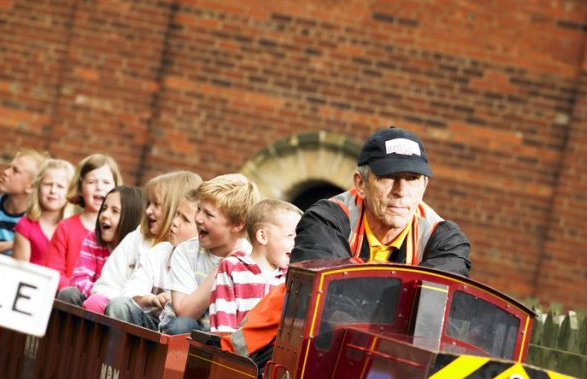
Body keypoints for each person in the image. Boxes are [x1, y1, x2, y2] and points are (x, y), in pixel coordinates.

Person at [221, 126, 471, 358]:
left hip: (375, 355)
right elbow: (330, 301)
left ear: (424, 185)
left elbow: (436, 312)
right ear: (360, 184)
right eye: (389, 177)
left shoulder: (446, 239)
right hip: (265, 348)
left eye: (413, 178)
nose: (401, 190)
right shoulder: (324, 219)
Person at [86, 170, 201, 315]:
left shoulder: (190, 255)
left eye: (156, 204)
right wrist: (124, 305)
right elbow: (108, 284)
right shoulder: (137, 238)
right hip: (123, 310)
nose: (147, 210)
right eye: (148, 203)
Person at [160, 173, 259, 335]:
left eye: (209, 214)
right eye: (199, 209)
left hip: (222, 340)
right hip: (181, 337)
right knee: (183, 325)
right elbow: (185, 312)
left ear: (237, 225)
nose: (198, 218)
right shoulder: (186, 251)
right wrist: (224, 267)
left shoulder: (251, 260)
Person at [104, 186, 201, 330]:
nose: (174, 222)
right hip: (150, 322)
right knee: (118, 305)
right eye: (176, 214)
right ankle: (117, 352)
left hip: (177, 331)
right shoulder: (160, 251)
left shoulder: (203, 265)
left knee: (182, 325)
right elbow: (131, 291)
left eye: (185, 219)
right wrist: (152, 299)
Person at [209, 199, 301, 333]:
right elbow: (223, 324)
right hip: (238, 350)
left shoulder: (290, 276)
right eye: (290, 236)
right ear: (262, 236)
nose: (297, 244)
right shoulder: (232, 268)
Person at [56, 186, 147, 307]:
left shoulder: (139, 248)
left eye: (114, 211)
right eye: (104, 208)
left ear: (130, 218)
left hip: (118, 304)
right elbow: (79, 279)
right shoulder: (93, 239)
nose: (105, 214)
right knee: (68, 293)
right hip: (90, 297)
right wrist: (99, 293)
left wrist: (108, 295)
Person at [44, 154, 122, 288]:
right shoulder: (66, 227)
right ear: (80, 188)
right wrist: (82, 290)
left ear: (116, 187)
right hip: (69, 299)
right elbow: (53, 272)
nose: (99, 187)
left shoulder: (121, 231)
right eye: (91, 182)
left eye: (106, 182)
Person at [0, 148, 49, 255]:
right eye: (8, 167)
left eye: (15, 171)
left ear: (31, 186)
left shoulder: (37, 220)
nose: (6, 172)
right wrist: (16, 244)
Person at [13, 158, 75, 266]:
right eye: (48, 184)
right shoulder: (25, 225)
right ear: (38, 187)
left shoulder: (74, 229)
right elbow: (20, 272)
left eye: (60, 186)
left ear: (69, 192)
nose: (53, 191)